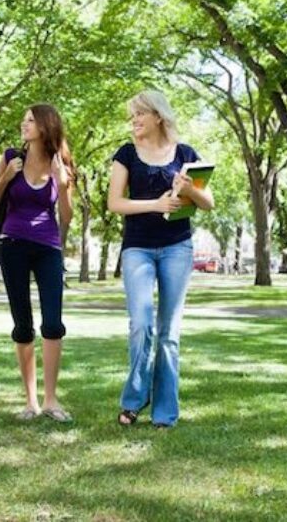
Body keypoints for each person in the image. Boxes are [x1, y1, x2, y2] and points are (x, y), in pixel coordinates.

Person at [107, 90, 213, 428]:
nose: (135, 121)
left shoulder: (185, 155)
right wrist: (155, 203)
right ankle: (135, 398)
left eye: (140, 114)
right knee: (141, 324)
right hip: (137, 246)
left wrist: (187, 188)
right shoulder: (126, 154)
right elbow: (115, 203)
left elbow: (207, 202)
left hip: (177, 247)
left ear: (158, 117)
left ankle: (165, 412)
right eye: (132, 116)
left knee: (169, 332)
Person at [0, 104, 75, 422]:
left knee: (53, 323)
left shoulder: (60, 162)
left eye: (30, 120)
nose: (23, 124)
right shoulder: (12, 156)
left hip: (48, 248)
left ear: (45, 126)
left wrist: (63, 183)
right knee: (22, 324)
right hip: (12, 245)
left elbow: (66, 219)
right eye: (23, 119)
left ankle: (51, 400)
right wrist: (7, 176)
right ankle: (30, 402)